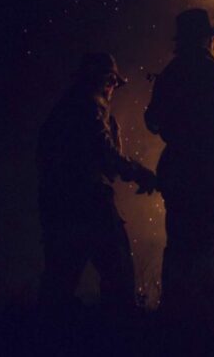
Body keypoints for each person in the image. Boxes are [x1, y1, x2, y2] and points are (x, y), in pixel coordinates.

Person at [37, 52, 157, 313]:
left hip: (58, 200)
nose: (113, 90)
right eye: (113, 83)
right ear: (106, 81)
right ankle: (118, 336)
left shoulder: (67, 106)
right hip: (87, 199)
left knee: (60, 276)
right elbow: (103, 152)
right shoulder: (90, 106)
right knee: (118, 270)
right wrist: (137, 172)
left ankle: (47, 335)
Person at [145, 8, 214, 311]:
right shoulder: (207, 68)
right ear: (205, 38)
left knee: (179, 242)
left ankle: (173, 311)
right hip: (204, 167)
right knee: (204, 243)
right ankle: (198, 315)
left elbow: (153, 119)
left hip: (177, 167)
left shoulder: (172, 71)